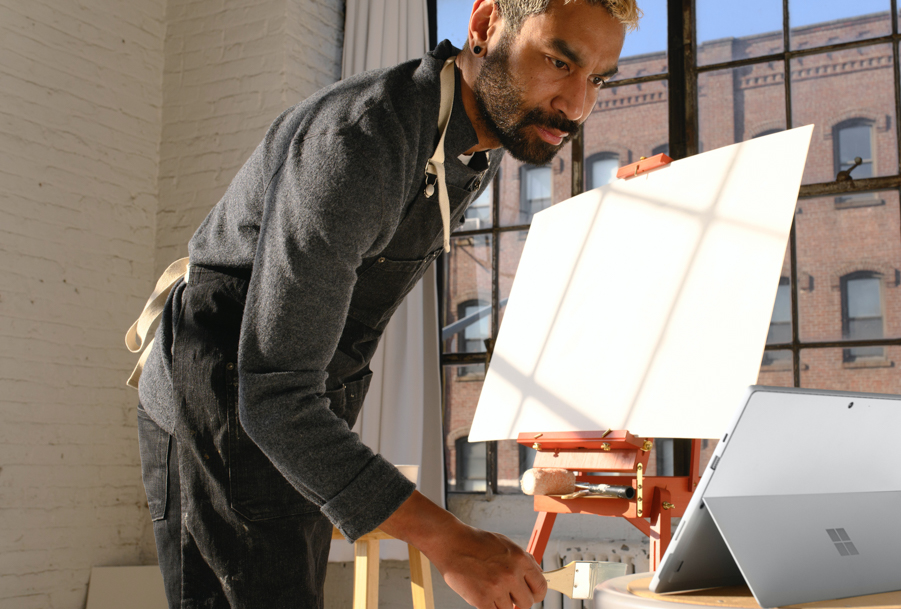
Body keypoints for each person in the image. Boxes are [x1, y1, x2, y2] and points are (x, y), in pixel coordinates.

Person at [130, 0, 639, 607]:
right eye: (559, 61)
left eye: (598, 80)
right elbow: (270, 394)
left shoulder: (485, 131)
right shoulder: (363, 142)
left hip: (296, 411)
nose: (577, 105)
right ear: (484, 28)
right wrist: (450, 540)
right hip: (225, 393)